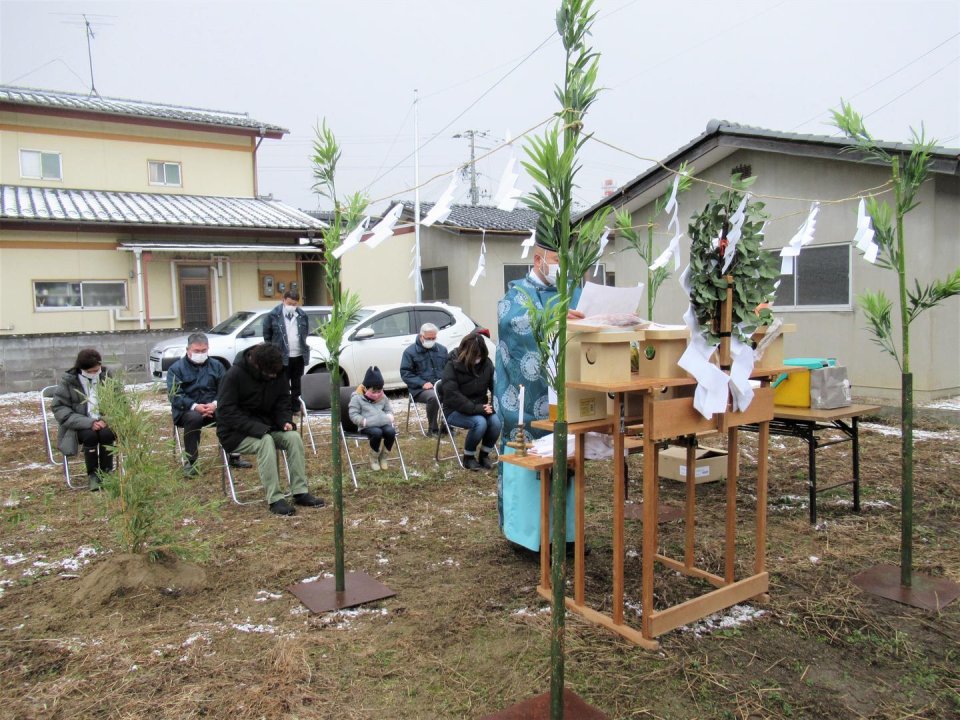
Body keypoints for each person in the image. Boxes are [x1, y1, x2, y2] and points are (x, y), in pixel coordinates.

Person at [493, 239, 583, 550]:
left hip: (564, 397)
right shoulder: (516, 294)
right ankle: (525, 536)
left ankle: (566, 534)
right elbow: (512, 324)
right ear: (538, 260)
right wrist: (554, 320)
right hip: (525, 400)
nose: (562, 269)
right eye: (556, 261)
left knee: (566, 458)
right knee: (526, 457)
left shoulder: (571, 290)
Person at [215, 343, 325, 516]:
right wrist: (258, 428)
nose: (274, 376)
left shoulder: (278, 371)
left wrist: (284, 421)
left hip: (268, 426)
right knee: (265, 442)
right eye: (270, 374)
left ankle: (300, 491)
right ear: (257, 365)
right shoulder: (233, 376)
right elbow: (226, 412)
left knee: (293, 437)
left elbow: (283, 401)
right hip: (235, 433)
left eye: (276, 373)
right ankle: (275, 499)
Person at [167, 332, 251, 476]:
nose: (200, 354)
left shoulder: (217, 365)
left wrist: (215, 404)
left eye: (203, 351)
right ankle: (191, 462)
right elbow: (175, 395)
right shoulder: (175, 369)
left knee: (232, 412)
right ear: (188, 350)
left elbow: (226, 389)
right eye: (196, 351)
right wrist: (195, 406)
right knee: (194, 418)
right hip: (187, 411)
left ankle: (234, 455)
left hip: (213, 407)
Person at [51, 348, 116, 491]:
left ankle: (107, 472)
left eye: (96, 371)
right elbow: (60, 409)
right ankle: (93, 475)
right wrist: (89, 422)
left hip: (106, 421)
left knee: (106, 434)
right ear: (80, 369)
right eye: (90, 372)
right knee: (90, 435)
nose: (94, 374)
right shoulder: (68, 381)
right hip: (79, 425)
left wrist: (106, 419)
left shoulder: (107, 377)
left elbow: (120, 403)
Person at [440, 333, 501, 471]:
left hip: (480, 407)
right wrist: (476, 408)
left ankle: (484, 455)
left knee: (496, 421)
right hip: (454, 410)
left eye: (480, 356)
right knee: (480, 422)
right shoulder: (451, 366)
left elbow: (496, 387)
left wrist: (494, 405)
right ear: (465, 353)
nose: (478, 359)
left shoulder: (487, 364)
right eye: (475, 356)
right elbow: (452, 395)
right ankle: (469, 457)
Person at [263, 289, 309, 414]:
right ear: (283, 300)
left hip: (298, 355)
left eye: (294, 304)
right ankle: (282, 409)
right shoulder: (273, 315)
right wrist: (272, 351)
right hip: (281, 357)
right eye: (289, 303)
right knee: (281, 384)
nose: (292, 306)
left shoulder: (302, 315)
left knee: (297, 384)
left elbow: (305, 333)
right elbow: (267, 335)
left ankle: (295, 408)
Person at [400, 322, 448, 436]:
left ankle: (447, 425)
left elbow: (448, 369)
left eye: (433, 338)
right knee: (433, 396)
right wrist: (422, 383)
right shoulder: (409, 352)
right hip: (419, 390)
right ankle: (433, 429)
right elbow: (405, 373)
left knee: (453, 393)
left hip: (439, 385)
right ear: (421, 336)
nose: (431, 340)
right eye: (428, 338)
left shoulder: (442, 350)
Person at [348, 366, 397, 471]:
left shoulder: (383, 397)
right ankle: (374, 457)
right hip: (367, 425)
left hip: (382, 422)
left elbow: (388, 409)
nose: (376, 394)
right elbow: (353, 414)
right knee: (377, 433)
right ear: (365, 388)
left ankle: (384, 456)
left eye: (379, 391)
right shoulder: (356, 398)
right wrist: (363, 421)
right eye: (373, 391)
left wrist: (389, 416)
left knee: (390, 432)